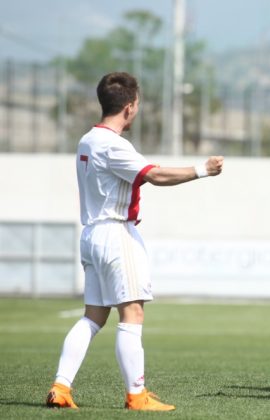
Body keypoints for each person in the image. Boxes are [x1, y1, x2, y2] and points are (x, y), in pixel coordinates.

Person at [45, 72, 224, 411]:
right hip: (116, 234)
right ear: (129, 107)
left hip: (91, 234)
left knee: (93, 317)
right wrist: (202, 170)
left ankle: (61, 386)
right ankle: (136, 395)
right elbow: (154, 175)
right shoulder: (113, 145)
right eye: (137, 104)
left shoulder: (87, 140)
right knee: (132, 312)